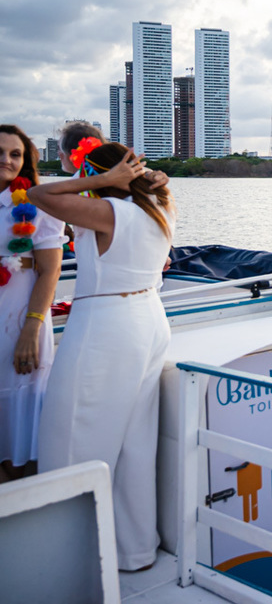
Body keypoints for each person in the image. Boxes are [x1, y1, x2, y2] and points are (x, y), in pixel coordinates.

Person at [29, 141, 175, 571]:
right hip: (149, 319)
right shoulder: (159, 207)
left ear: (103, 174)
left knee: (73, 432)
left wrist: (103, 182)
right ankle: (134, 550)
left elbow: (39, 196)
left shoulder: (110, 212)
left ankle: (64, 561)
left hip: (107, 325)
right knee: (134, 441)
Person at [0, 125, 65, 483]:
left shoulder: (36, 205)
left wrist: (31, 327)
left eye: (15, 154)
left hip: (19, 320)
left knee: (17, 410)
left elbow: (50, 272)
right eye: (0, 152)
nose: (6, 160)